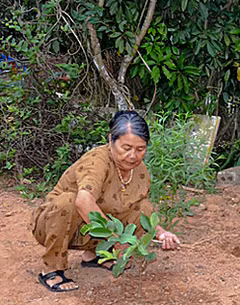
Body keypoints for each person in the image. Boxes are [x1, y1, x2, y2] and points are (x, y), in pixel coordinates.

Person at [31, 110, 181, 292]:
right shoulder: (97, 161)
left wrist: (161, 233)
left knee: (140, 207)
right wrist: (116, 239)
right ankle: (52, 269)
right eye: (126, 148)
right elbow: (83, 202)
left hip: (90, 231)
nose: (133, 156)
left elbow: (142, 208)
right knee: (69, 201)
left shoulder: (139, 171)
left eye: (140, 149)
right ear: (111, 140)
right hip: (52, 225)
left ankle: (94, 256)